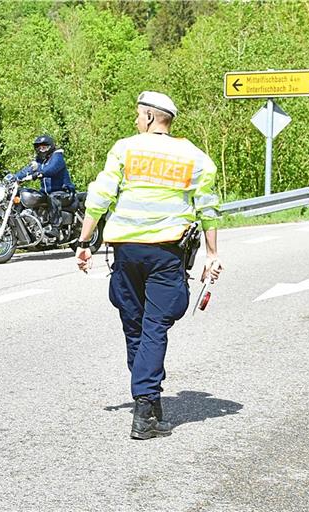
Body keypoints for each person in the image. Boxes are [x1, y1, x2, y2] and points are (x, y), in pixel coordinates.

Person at [74, 91, 223, 440]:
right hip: (166, 253)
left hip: (125, 251)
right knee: (154, 326)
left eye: (139, 115)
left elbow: (100, 196)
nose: (136, 121)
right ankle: (145, 409)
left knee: (135, 325)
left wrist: (84, 243)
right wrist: (212, 254)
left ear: (152, 117)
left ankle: (150, 401)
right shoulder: (195, 158)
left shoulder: (125, 149)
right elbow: (208, 207)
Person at [15, 134, 74, 238]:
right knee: (25, 193)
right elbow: (27, 170)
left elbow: (52, 169)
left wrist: (39, 174)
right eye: (39, 147)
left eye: (44, 147)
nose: (42, 150)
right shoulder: (39, 161)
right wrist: (14, 178)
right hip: (46, 193)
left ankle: (56, 229)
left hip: (63, 192)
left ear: (50, 147)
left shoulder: (57, 157)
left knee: (53, 197)